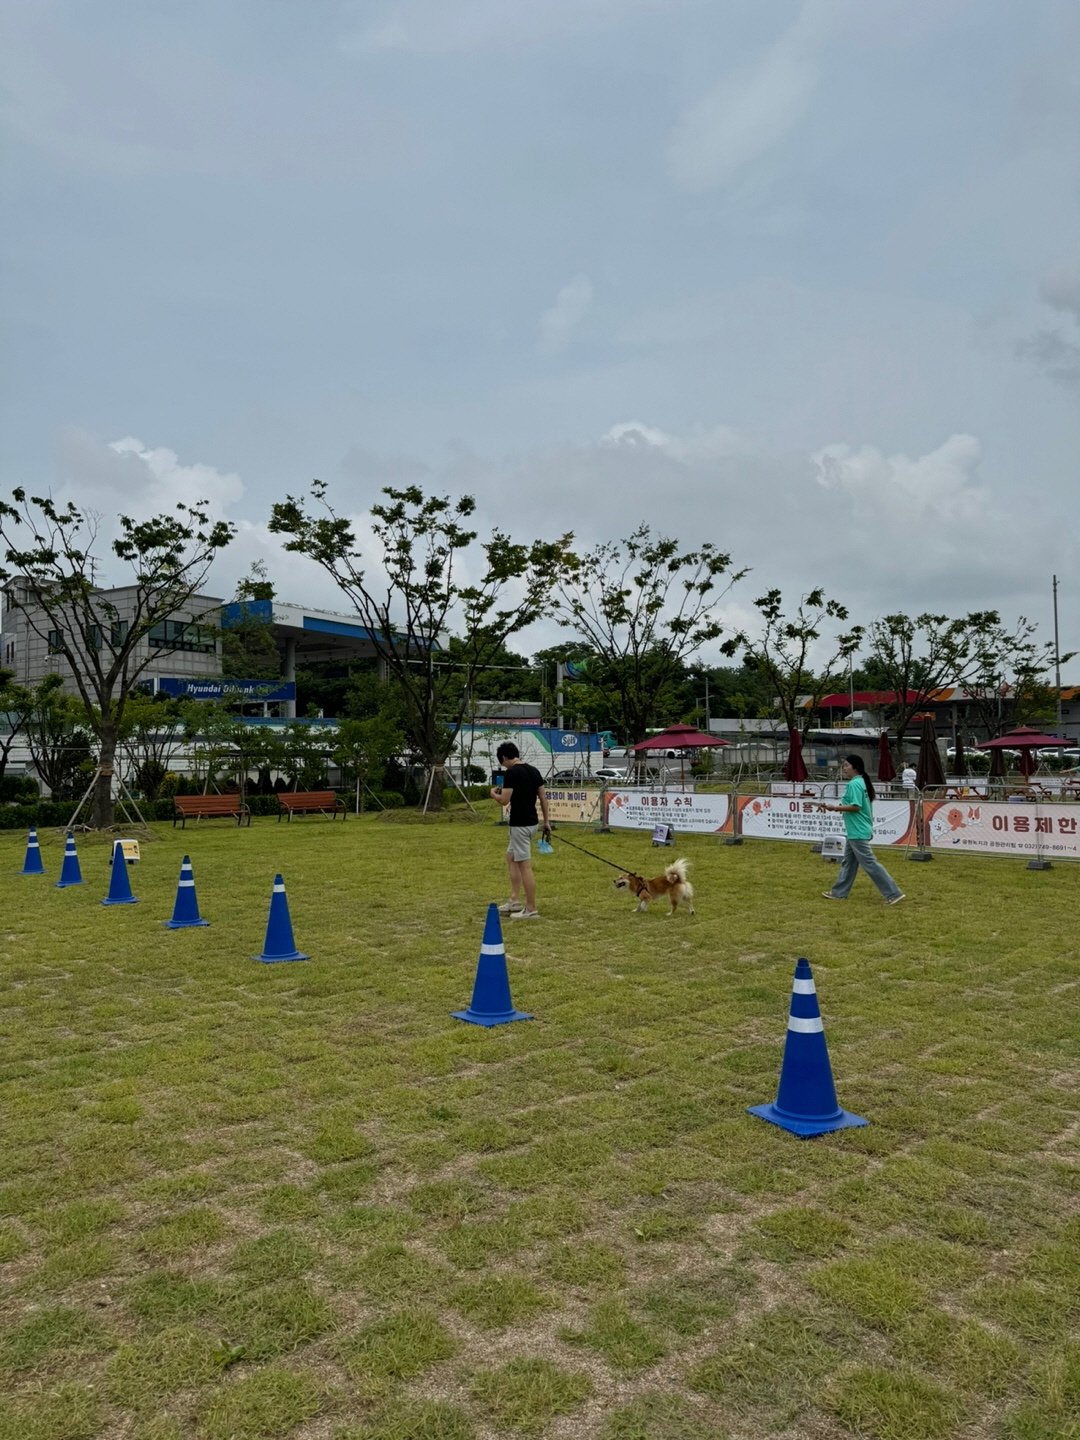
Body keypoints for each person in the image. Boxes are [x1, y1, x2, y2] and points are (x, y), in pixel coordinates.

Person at [819, 754, 905, 904]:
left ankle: (893, 893)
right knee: (849, 863)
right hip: (857, 830)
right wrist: (833, 807)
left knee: (870, 863)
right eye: (844, 766)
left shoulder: (854, 784)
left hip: (857, 831)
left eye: (846, 765)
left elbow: (855, 807)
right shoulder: (861, 782)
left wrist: (835, 808)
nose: (844, 769)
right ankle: (839, 892)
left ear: (855, 767)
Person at [490, 742, 551, 920]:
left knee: (524, 865)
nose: (503, 764)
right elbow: (543, 797)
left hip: (519, 825)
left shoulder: (511, 773)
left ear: (504, 758)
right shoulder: (534, 771)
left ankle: (531, 909)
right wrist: (546, 821)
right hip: (532, 823)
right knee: (510, 857)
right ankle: (515, 900)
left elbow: (504, 800)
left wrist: (494, 794)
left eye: (502, 761)